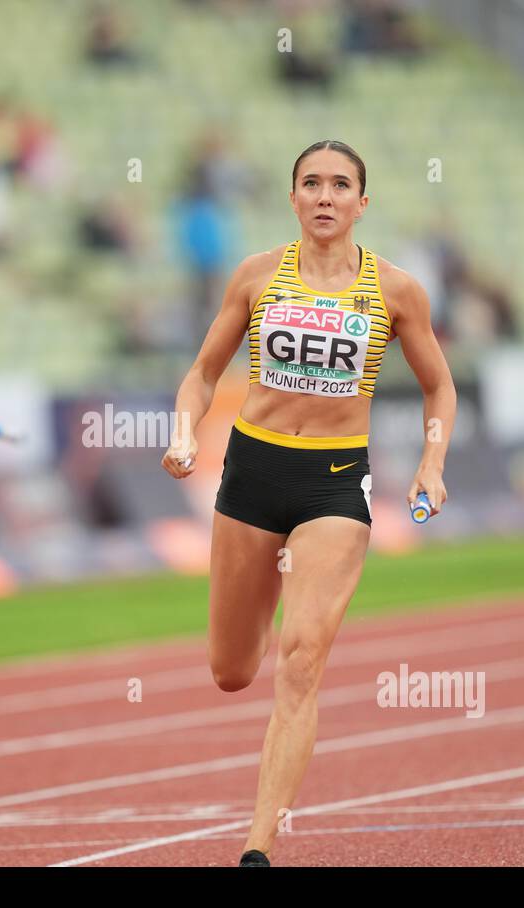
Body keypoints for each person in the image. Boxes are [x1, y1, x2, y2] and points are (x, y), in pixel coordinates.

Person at [162, 140, 457, 866]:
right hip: (252, 474)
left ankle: (258, 847)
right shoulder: (257, 277)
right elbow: (201, 374)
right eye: (311, 184)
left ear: (363, 202)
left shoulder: (396, 291)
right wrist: (182, 431)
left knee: (301, 662)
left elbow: (439, 387)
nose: (325, 196)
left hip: (334, 483)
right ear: (292, 198)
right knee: (233, 668)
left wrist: (432, 462)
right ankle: (257, 611)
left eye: (341, 185)